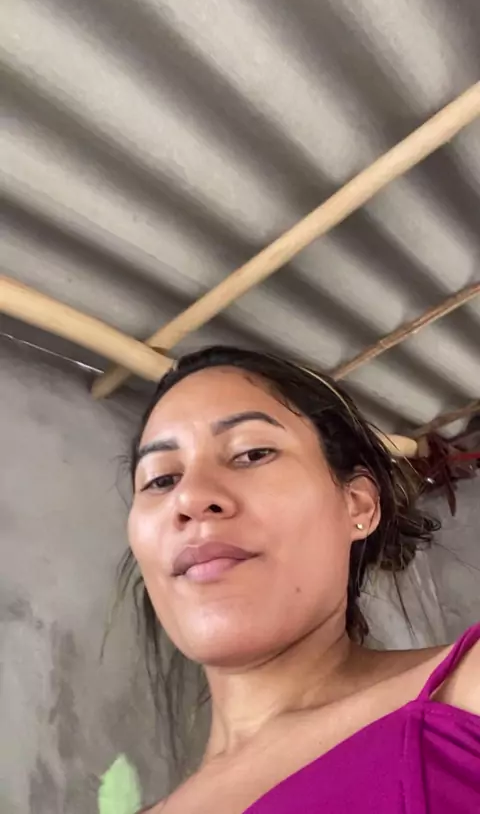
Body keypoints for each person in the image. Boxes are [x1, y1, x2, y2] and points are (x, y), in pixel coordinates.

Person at [122, 345, 480, 813]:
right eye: (160, 479)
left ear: (357, 504)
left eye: (252, 453)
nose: (189, 498)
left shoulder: (467, 690)